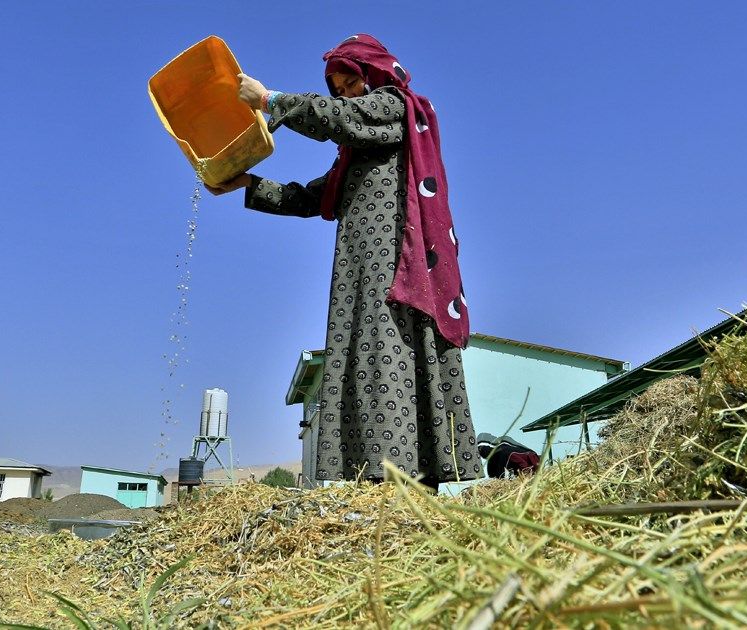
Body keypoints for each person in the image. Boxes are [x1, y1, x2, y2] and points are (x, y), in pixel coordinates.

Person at [206, 34, 481, 487]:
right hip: (359, 273)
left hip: (400, 270)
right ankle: (376, 479)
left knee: (389, 353)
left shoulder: (396, 107)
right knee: (365, 357)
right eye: (337, 89)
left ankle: (403, 478)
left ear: (374, 73)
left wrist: (270, 99)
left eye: (351, 83)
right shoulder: (355, 158)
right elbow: (311, 197)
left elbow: (339, 118)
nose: (346, 95)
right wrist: (248, 185)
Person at [476, 433, 541, 479]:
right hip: (519, 464)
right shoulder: (493, 459)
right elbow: (492, 475)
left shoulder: (504, 452)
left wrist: (526, 476)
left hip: (531, 460)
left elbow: (523, 464)